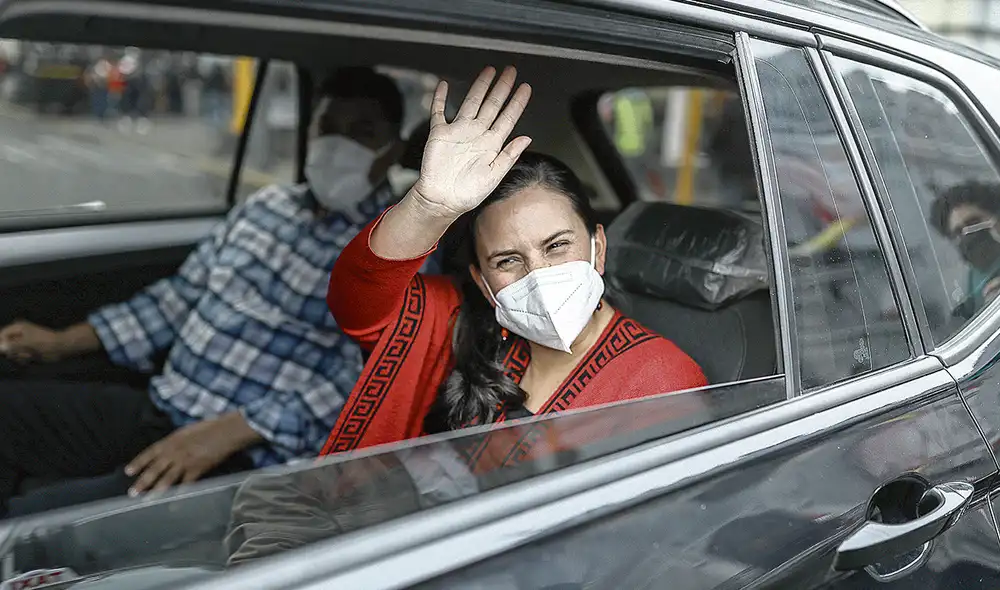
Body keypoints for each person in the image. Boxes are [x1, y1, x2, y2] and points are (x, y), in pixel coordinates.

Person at [0, 67, 420, 518]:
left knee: (36, 528)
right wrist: (60, 342)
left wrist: (236, 429)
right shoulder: (267, 206)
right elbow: (178, 299)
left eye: (362, 132)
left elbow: (374, 377)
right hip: (167, 404)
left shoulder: (400, 251)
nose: (339, 145)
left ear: (393, 149)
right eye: (328, 128)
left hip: (247, 456)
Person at [321, 65, 706, 456]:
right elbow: (356, 301)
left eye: (557, 246)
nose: (538, 275)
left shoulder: (662, 382)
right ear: (482, 281)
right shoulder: (456, 322)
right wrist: (427, 208)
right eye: (507, 261)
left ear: (599, 248)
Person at [930, 180, 1000, 319]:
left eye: (973, 222)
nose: (967, 233)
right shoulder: (967, 283)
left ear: (995, 216)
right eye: (958, 232)